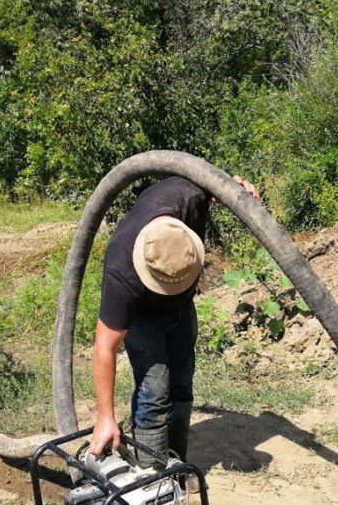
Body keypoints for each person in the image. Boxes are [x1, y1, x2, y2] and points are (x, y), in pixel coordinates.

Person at [89, 175, 259, 463]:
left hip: (182, 308)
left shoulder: (187, 196)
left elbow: (211, 177)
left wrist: (232, 187)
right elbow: (104, 346)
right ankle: (152, 475)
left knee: (181, 385)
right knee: (155, 392)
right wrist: (106, 417)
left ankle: (175, 467)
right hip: (145, 319)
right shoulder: (122, 274)